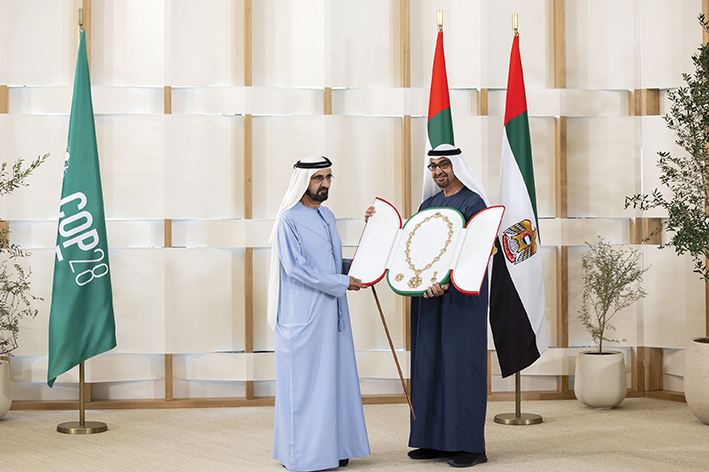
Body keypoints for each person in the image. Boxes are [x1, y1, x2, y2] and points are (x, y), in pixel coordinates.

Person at [365, 143, 490, 468]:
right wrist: (377, 223)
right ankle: (433, 440)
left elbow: (476, 251)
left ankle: (470, 446)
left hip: (460, 300)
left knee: (460, 367)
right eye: (433, 166)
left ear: (457, 167)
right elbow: (412, 247)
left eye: (443, 165)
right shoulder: (428, 205)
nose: (437, 172)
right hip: (427, 299)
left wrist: (448, 282)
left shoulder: (474, 203)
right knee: (429, 364)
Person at [268, 155, 371, 472]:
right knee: (305, 387)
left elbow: (330, 262)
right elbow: (297, 268)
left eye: (328, 177)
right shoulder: (288, 220)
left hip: (333, 313)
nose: (325, 184)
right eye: (318, 178)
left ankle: (334, 448)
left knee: (334, 382)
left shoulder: (327, 216)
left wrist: (361, 260)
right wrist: (342, 282)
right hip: (304, 316)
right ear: (304, 181)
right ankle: (303, 456)